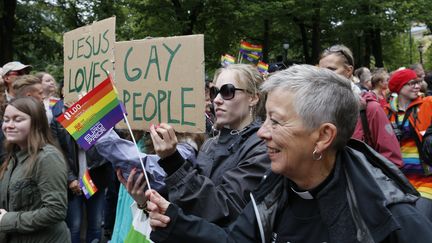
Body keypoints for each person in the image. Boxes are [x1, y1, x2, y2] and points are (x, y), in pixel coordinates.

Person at [145, 65, 432, 243]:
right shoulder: (272, 193)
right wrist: (175, 222)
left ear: (323, 136)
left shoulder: (396, 220)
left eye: (276, 121)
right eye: (265, 118)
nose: (262, 133)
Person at [126, 64, 270, 226]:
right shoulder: (211, 143)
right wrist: (144, 201)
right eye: (215, 92)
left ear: (253, 98)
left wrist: (173, 161)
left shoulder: (263, 148)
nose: (216, 100)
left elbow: (224, 208)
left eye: (227, 91)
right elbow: (183, 205)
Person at [319, 44, 403, 167]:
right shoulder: (315, 109)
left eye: (331, 70)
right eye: (321, 71)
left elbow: (392, 160)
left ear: (349, 71)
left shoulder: (370, 109)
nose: (324, 76)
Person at [0, 97, 70, 242]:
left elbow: (56, 211)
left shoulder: (47, 157)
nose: (9, 125)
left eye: (18, 120)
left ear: (36, 123)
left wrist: (7, 220)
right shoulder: (13, 157)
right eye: (6, 120)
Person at [384, 68, 432, 215]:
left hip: (426, 178)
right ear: (399, 87)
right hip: (399, 181)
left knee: (421, 219)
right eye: (411, 83)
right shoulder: (386, 111)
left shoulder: (428, 104)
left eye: (418, 82)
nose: (417, 86)